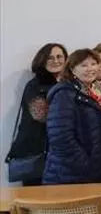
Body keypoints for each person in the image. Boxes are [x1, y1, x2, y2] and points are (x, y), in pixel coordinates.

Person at [42, 49, 101, 185]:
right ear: (72, 69)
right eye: (84, 65)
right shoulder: (64, 94)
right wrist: (86, 163)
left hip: (90, 172)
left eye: (93, 64)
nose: (90, 69)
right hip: (69, 175)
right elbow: (60, 138)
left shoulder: (94, 92)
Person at [6, 43, 67, 186]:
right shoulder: (34, 85)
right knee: (37, 196)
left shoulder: (70, 83)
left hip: (61, 153)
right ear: (42, 61)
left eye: (59, 56)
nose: (56, 61)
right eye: (50, 58)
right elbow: (40, 114)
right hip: (36, 151)